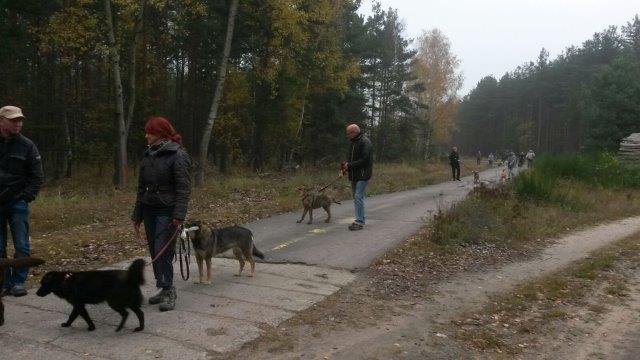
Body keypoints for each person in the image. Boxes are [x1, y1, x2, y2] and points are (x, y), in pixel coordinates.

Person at [132, 117, 191, 311]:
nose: (146, 135)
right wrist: (137, 215)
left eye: (149, 132)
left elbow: (184, 188)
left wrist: (179, 215)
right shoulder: (148, 155)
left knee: (162, 251)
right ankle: (163, 286)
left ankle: (169, 290)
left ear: (160, 134)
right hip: (149, 210)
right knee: (154, 251)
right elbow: (142, 188)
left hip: (168, 211)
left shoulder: (178, 155)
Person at [0, 105, 44, 297]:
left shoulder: (27, 146)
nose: (18, 123)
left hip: (17, 203)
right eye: (13, 120)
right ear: (2, 121)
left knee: (21, 244)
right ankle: (3, 282)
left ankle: (17, 282)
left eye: (20, 120)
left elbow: (37, 177)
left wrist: (25, 197)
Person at [342, 124, 372, 231]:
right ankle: (361, 218)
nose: (347, 135)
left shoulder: (365, 142)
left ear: (354, 132)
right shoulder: (353, 142)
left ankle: (359, 222)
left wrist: (349, 165)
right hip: (354, 174)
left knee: (358, 196)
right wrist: (346, 167)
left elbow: (364, 160)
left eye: (348, 133)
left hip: (363, 174)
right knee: (356, 197)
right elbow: (351, 160)